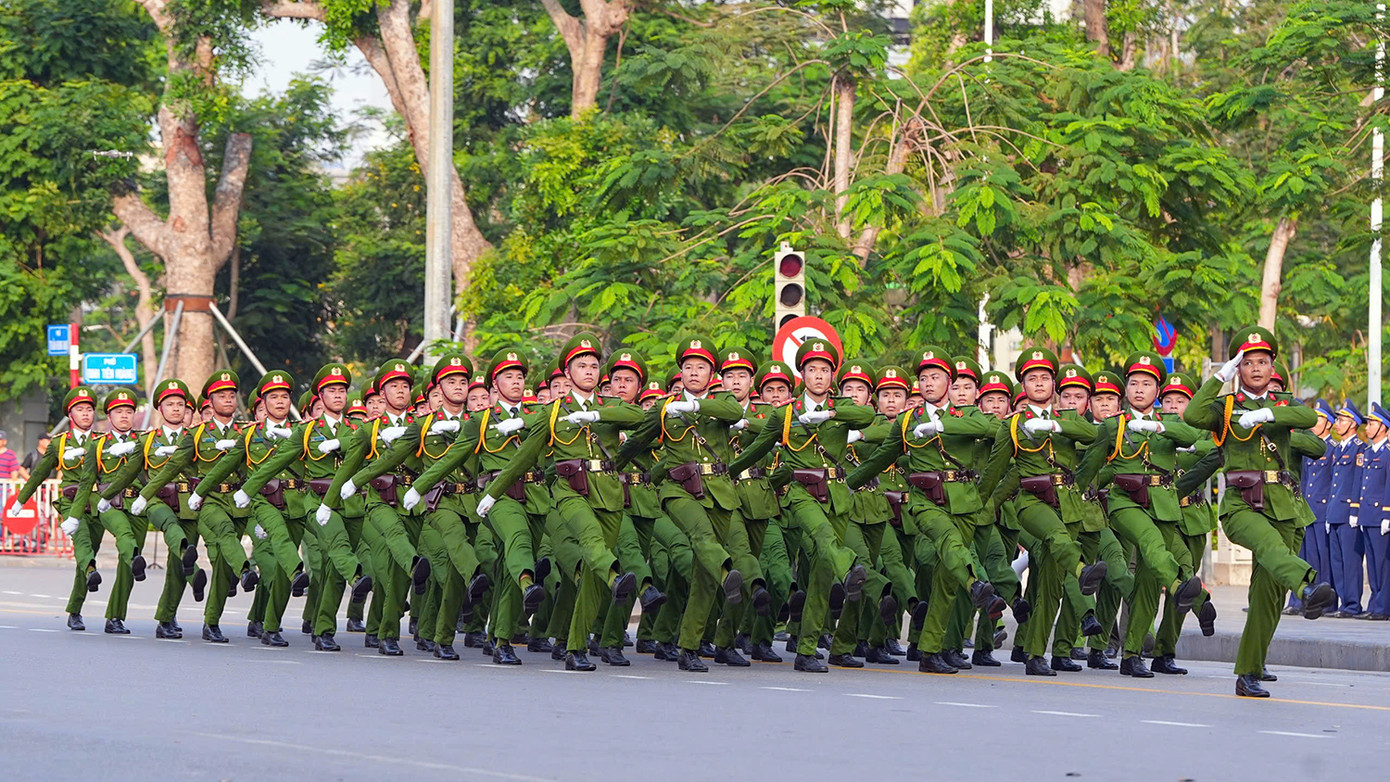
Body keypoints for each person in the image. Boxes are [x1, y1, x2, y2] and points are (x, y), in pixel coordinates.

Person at [1182, 326, 1334, 697]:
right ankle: (1308, 585)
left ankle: (1248, 672)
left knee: (1268, 595)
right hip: (1242, 504)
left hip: (1283, 505)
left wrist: (1267, 413)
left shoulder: (1283, 404)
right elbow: (1191, 414)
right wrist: (1222, 374)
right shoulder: (1225, 407)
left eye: (1262, 362)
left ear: (1272, 366)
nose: (1255, 368)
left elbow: (1309, 422)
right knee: (1269, 546)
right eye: (1247, 362)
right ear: (1240, 367)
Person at [100, 379, 205, 638]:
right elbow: (129, 471)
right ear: (160, 408)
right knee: (133, 556)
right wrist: (105, 497)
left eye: (181, 405)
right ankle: (115, 615)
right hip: (152, 501)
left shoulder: (198, 439)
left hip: (187, 503)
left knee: (179, 566)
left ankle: (167, 618)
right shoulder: (147, 441)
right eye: (170, 404)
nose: (177, 409)